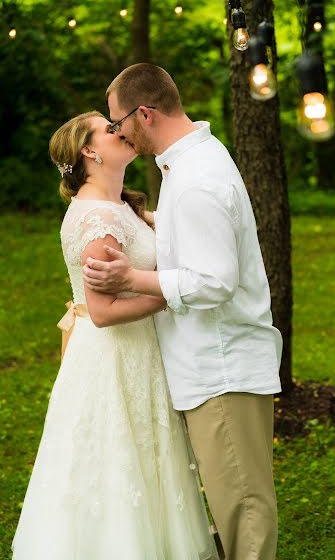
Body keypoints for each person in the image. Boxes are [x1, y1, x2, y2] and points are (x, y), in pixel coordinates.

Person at [83, 64, 283, 560]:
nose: (117, 131)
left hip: (222, 368)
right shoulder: (191, 161)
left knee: (243, 512)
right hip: (213, 364)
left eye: (118, 121)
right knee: (235, 503)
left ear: (144, 113)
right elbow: (193, 246)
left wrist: (130, 279)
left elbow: (214, 280)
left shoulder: (195, 180)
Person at [12, 110, 218, 560]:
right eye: (108, 129)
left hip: (139, 351)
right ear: (88, 150)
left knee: (148, 461)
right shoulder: (93, 218)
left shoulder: (120, 206)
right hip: (113, 357)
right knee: (114, 461)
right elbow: (103, 312)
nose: (120, 130)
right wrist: (174, 292)